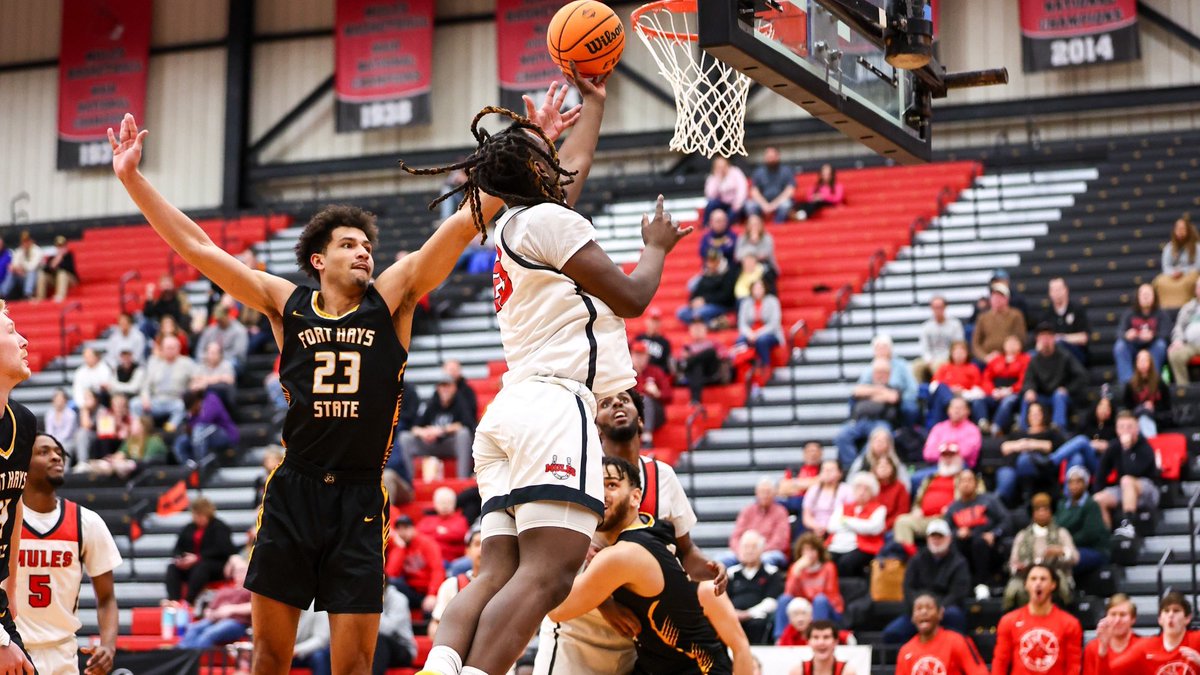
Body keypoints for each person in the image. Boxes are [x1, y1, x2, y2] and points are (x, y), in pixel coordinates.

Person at [113, 84, 588, 675]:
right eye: (348, 245)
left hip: (362, 494)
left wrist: (532, 141)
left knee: (356, 663)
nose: (364, 253)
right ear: (319, 259)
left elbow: (465, 222)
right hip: (294, 489)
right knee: (268, 656)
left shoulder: (392, 297)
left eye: (367, 244)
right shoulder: (284, 302)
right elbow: (198, 247)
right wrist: (133, 180)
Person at [532, 388, 724, 675]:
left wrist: (710, 569)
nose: (617, 404)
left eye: (624, 399)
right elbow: (545, 556)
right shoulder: (576, 478)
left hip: (633, 639)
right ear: (595, 429)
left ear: (642, 420)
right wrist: (605, 603)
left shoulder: (663, 476)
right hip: (576, 631)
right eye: (606, 403)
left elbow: (685, 553)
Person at [546, 457, 750, 674]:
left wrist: (563, 543)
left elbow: (556, 610)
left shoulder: (623, 555)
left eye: (611, 485)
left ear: (636, 497)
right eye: (596, 487)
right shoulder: (654, 529)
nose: (601, 493)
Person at [16, 433, 121, 675]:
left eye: (59, 453)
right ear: (22, 462)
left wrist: (108, 646)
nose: (56, 457)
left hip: (63, 655)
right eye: (44, 452)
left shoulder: (87, 522)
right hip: (11, 649)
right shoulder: (6, 518)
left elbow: (106, 598)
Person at [0, 301, 37, 673]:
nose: (24, 340)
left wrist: (10, 587)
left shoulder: (23, 423)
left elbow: (14, 504)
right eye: (11, 332)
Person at [882, 519, 971, 645]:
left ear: (949, 538)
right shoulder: (916, 560)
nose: (936, 540)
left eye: (940, 536)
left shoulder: (959, 562)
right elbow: (908, 587)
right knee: (892, 633)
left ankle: (954, 656)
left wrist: (935, 610)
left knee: (954, 616)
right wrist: (919, 609)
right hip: (918, 608)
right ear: (927, 538)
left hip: (945, 610)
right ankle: (910, 659)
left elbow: (958, 593)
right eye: (932, 536)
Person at [992, 563, 1083, 675]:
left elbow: (1073, 666)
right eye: (1033, 579)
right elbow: (1000, 662)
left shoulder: (1070, 623)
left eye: (1043, 579)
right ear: (1026, 584)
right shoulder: (1008, 621)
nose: (1038, 583)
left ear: (1053, 585)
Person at [1092, 591, 1200, 674]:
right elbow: (1109, 673)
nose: (1171, 615)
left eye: (1176, 611)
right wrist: (1103, 650)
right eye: (1166, 611)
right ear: (1160, 619)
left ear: (1187, 618)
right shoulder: (1146, 647)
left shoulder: (1197, 639)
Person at [1003, 493, 1077, 609]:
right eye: (1038, 510)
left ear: (1051, 512)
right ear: (1033, 513)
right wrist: (1017, 567)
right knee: (1014, 589)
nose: (1042, 513)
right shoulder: (1022, 535)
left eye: (1045, 509)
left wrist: (1061, 551)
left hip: (1055, 574)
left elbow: (1075, 558)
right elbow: (1013, 562)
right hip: (1027, 577)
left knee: (1059, 586)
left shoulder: (1061, 533)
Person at [944, 470, 1009, 601]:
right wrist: (957, 532)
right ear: (958, 484)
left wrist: (994, 534)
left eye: (970, 480)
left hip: (988, 545)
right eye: (963, 480)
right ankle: (962, 585)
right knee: (955, 544)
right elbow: (946, 531)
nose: (966, 484)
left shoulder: (990, 500)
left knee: (979, 542)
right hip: (964, 547)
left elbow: (1006, 520)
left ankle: (982, 584)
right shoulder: (952, 508)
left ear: (976, 483)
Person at [1093, 411, 1160, 535]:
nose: (1125, 431)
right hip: (1124, 489)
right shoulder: (1114, 446)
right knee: (1097, 499)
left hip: (1147, 490)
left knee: (1126, 480)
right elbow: (1101, 472)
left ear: (1137, 428)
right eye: (1121, 427)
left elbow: (1133, 471)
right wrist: (1098, 490)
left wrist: (1126, 449)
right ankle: (1106, 536)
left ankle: (1128, 524)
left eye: (1129, 427)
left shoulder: (1145, 447)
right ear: (1117, 430)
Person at [165, 497, 237, 604]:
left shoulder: (219, 527)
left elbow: (224, 549)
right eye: (195, 515)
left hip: (214, 565)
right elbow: (178, 547)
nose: (198, 518)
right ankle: (174, 600)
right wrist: (181, 559)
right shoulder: (189, 528)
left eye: (200, 515)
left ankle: (188, 601)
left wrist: (198, 557)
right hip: (192, 566)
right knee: (172, 568)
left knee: (202, 567)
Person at [402, 376, 476, 479]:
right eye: (442, 386)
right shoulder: (432, 403)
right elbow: (414, 427)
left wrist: (442, 430)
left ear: (454, 388)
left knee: (464, 434)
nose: (445, 389)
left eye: (448, 386)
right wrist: (424, 433)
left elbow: (467, 424)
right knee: (405, 437)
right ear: (438, 388)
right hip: (431, 443)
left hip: (450, 444)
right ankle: (409, 481)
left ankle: (462, 479)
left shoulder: (460, 402)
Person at [895, 593, 988, 675]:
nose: (924, 612)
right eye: (918, 609)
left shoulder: (957, 641)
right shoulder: (905, 651)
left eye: (929, 607)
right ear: (912, 617)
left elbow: (979, 672)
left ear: (940, 613)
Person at [1020, 322, 1088, 432]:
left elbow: (1081, 376)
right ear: (1038, 339)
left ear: (1053, 338)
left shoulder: (1065, 356)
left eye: (1048, 336)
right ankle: (1024, 430)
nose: (1045, 340)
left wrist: (1067, 389)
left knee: (1059, 395)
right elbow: (1028, 379)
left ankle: (1058, 428)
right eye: (1042, 337)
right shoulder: (1034, 360)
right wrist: (1030, 390)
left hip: (1062, 395)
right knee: (1027, 397)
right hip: (1043, 396)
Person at [893, 451, 962, 556]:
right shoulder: (931, 478)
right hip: (924, 518)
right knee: (902, 521)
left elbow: (973, 500)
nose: (947, 460)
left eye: (951, 456)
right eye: (945, 456)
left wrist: (953, 508)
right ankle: (912, 559)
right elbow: (918, 499)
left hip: (946, 518)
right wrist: (916, 509)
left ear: (959, 459)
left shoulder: (964, 477)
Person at [835, 358, 900, 468]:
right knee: (841, 436)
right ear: (873, 373)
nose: (880, 375)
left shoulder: (894, 388)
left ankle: (864, 465)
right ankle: (852, 466)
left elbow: (893, 397)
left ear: (889, 374)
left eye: (884, 372)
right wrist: (880, 392)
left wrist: (869, 394)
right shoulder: (864, 385)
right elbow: (856, 391)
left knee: (878, 440)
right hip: (860, 421)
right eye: (878, 372)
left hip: (880, 422)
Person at [177, 556, 252, 649]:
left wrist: (232, 609)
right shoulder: (225, 589)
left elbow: (254, 607)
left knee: (209, 633)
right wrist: (211, 613)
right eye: (238, 572)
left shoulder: (251, 591)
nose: (240, 575)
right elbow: (209, 610)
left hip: (238, 622)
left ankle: (195, 659)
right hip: (215, 619)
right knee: (193, 628)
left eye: (243, 571)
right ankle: (180, 655)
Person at [726, 530, 785, 645]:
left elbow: (771, 602)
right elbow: (723, 598)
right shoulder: (731, 573)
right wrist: (732, 613)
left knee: (758, 624)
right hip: (732, 616)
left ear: (761, 550)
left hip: (757, 617)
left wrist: (747, 614)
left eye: (753, 547)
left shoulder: (771, 573)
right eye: (746, 547)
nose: (749, 551)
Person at [779, 533, 844, 635]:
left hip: (826, 609)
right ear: (800, 552)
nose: (809, 554)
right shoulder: (796, 568)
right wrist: (796, 573)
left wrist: (807, 606)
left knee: (820, 600)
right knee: (784, 600)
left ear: (819, 552)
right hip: (802, 610)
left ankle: (817, 636)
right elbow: (789, 593)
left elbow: (830, 596)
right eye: (805, 550)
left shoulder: (829, 567)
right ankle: (780, 639)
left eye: (812, 550)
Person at [825, 472, 887, 578]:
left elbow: (873, 528)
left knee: (846, 563)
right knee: (826, 561)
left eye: (866, 489)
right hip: (836, 545)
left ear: (872, 492)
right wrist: (858, 525)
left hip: (863, 547)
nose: (862, 492)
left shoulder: (879, 509)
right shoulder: (843, 507)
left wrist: (846, 521)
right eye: (858, 488)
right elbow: (831, 526)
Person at [1055, 466, 1110, 578]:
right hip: (1068, 547)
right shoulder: (1062, 505)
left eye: (1078, 481)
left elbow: (1089, 534)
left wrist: (1065, 544)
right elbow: (1056, 527)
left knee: (1065, 560)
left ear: (1086, 484)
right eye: (1070, 482)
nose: (1074, 486)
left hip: (1093, 549)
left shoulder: (1091, 505)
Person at [385, 515, 445, 615]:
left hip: (427, 589)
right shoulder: (399, 548)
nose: (403, 532)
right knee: (392, 582)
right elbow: (391, 574)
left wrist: (432, 594)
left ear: (413, 528)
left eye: (406, 528)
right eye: (399, 529)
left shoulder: (427, 543)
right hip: (412, 590)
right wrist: (400, 548)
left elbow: (437, 570)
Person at [917, 397, 982, 489]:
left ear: (968, 411)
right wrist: (952, 449)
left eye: (960, 408)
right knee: (915, 479)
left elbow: (966, 452)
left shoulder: (972, 430)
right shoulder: (938, 428)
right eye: (954, 407)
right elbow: (928, 454)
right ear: (948, 410)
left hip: (962, 469)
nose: (956, 411)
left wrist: (943, 449)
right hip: (938, 467)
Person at [134, 335, 195, 431]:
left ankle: (169, 429)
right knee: (134, 404)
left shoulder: (187, 363)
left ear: (178, 349)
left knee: (181, 406)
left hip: (175, 400)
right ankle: (139, 430)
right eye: (167, 348)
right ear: (162, 349)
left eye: (173, 348)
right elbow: (145, 384)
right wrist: (145, 397)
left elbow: (196, 380)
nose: (170, 350)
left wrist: (191, 389)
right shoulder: (154, 362)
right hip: (156, 400)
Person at [1115, 282, 1172, 384]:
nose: (1145, 297)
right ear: (1138, 297)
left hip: (1152, 346)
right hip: (1134, 346)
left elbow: (1166, 334)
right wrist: (1127, 335)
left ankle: (1153, 382)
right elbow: (1119, 332)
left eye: (1148, 294)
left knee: (1160, 345)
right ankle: (1128, 384)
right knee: (1120, 346)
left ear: (1154, 297)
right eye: (1143, 295)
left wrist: (1152, 335)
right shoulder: (1129, 313)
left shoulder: (1161, 313)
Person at [728, 478, 791, 569]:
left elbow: (780, 542)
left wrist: (756, 553)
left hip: (769, 552)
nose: (764, 495)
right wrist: (742, 552)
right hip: (744, 552)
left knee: (767, 560)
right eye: (762, 492)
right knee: (722, 560)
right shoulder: (747, 511)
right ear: (756, 493)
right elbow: (735, 537)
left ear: (774, 494)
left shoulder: (781, 512)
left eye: (768, 492)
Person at [431, 528, 482, 639]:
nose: (483, 549)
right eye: (477, 544)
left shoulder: (509, 585)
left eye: (488, 544)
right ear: (467, 551)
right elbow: (435, 626)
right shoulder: (451, 585)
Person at [980, 334, 1030, 435]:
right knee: (979, 401)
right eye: (1009, 343)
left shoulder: (1025, 359)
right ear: (1004, 345)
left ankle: (996, 427)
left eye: (1014, 343)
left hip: (1014, 393)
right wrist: (992, 391)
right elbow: (986, 378)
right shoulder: (996, 360)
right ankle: (983, 424)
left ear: (1020, 346)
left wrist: (1010, 390)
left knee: (1008, 401)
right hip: (996, 392)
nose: (1011, 346)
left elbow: (1024, 380)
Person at [173, 389, 239, 465]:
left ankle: (201, 465)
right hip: (205, 436)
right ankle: (189, 468)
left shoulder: (211, 398)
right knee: (181, 442)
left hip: (226, 435)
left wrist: (194, 418)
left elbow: (207, 419)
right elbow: (191, 428)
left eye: (192, 408)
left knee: (199, 430)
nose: (192, 411)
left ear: (197, 401)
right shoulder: (193, 414)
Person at [928, 343, 986, 427]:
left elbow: (979, 392)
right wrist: (949, 390)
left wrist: (962, 393)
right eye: (956, 352)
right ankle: (951, 403)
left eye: (961, 352)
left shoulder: (972, 368)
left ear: (967, 354)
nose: (959, 355)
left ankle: (951, 407)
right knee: (941, 388)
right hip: (945, 398)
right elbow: (933, 386)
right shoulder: (944, 367)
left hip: (964, 398)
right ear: (951, 354)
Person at [1082, 594, 1141, 674]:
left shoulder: (1142, 646)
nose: (1117, 620)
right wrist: (1103, 649)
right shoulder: (1092, 647)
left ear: (1133, 619)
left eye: (1122, 615)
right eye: (1113, 614)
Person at [677, 249, 737, 326]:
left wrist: (705, 300)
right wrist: (692, 302)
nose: (710, 264)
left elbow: (725, 295)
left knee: (699, 313)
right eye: (709, 261)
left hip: (719, 305)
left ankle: (703, 323)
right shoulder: (705, 274)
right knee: (681, 313)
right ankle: (711, 323)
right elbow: (697, 290)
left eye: (713, 261)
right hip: (702, 305)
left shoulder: (728, 274)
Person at [846, 428, 912, 498]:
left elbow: (906, 486)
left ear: (889, 444)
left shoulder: (895, 462)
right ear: (871, 443)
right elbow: (850, 482)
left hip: (890, 498)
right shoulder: (862, 461)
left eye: (883, 441)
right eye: (877, 440)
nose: (879, 443)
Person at [971, 282, 1027, 363]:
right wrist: (985, 357)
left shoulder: (1015, 315)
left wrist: (1008, 354)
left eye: (1000, 296)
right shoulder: (982, 317)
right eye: (994, 296)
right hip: (986, 358)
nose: (997, 299)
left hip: (1009, 356)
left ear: (1007, 298)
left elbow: (1020, 339)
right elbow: (975, 344)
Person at [914, 296, 965, 382]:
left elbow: (958, 345)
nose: (937, 310)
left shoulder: (955, 324)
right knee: (916, 366)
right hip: (931, 358)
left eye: (940, 307)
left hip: (949, 357)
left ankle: (938, 389)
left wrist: (949, 357)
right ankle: (920, 391)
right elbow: (924, 347)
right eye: (935, 307)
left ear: (945, 307)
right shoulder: (926, 326)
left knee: (938, 365)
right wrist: (929, 359)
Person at [1153, 215, 1200, 308]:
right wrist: (1173, 273)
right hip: (1172, 275)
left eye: (1183, 229)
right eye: (1178, 229)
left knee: (1189, 281)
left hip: (1189, 274)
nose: (1180, 232)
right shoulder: (1168, 248)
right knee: (1159, 281)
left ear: (1188, 230)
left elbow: (1197, 266)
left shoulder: (1197, 247)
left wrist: (1183, 272)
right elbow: (1165, 266)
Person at [737, 280, 783, 376]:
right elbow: (742, 324)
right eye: (755, 288)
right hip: (751, 333)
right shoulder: (746, 303)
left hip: (770, 333)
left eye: (760, 288)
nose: (757, 291)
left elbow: (774, 324)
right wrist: (750, 333)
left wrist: (757, 334)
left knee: (762, 340)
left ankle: (766, 368)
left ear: (765, 289)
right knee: (740, 340)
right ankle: (746, 370)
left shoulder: (772, 301)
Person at [630, 342, 671, 445]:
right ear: (631, 355)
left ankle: (647, 436)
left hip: (655, 412)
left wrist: (658, 393)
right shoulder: (627, 374)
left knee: (645, 399)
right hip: (633, 412)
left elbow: (669, 395)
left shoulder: (655, 372)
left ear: (647, 357)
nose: (639, 358)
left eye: (642, 355)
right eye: (636, 355)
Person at [678, 320, 728, 404]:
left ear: (705, 329)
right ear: (690, 331)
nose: (697, 331)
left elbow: (725, 354)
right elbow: (679, 361)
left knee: (710, 352)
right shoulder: (687, 347)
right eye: (695, 328)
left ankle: (695, 399)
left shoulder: (713, 343)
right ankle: (696, 400)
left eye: (700, 328)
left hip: (711, 371)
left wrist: (691, 358)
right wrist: (685, 357)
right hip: (696, 374)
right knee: (697, 365)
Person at [1123, 348, 1170, 438]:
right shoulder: (1130, 385)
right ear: (1136, 363)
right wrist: (1142, 407)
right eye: (1140, 360)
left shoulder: (1160, 382)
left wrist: (1153, 408)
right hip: (1137, 418)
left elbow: (1167, 406)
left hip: (1157, 418)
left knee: (1146, 418)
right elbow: (1128, 407)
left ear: (1150, 363)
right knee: (1144, 417)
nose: (1143, 363)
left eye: (1145, 360)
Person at [1042, 277, 1090, 365]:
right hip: (1052, 353)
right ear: (1050, 293)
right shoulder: (1047, 314)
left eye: (1059, 289)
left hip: (1076, 352)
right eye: (1054, 290)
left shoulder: (1077, 310)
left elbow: (1084, 338)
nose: (1057, 293)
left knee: (1060, 346)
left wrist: (1062, 338)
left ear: (1066, 290)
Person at [372, 586, 418, 675]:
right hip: (375, 647)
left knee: (380, 639)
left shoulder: (399, 599)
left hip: (402, 649)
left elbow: (387, 629)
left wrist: (372, 607)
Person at [418, 487, 470, 565]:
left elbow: (459, 534)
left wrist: (432, 534)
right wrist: (439, 532)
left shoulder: (460, 520)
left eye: (448, 502)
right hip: (426, 558)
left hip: (450, 560)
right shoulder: (427, 520)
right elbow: (418, 534)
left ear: (454, 503)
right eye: (442, 503)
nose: (445, 506)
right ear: (435, 503)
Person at [800, 460, 850, 539]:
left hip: (838, 531)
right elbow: (807, 515)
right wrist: (816, 527)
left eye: (831, 470)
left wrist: (829, 527)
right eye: (824, 470)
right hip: (815, 530)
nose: (827, 473)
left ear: (840, 473)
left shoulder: (846, 490)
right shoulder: (813, 489)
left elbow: (849, 514)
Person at [788, 620, 857, 675]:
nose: (821, 642)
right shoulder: (797, 672)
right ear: (808, 641)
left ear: (836, 641)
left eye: (826, 637)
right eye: (816, 637)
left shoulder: (847, 672)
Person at [745, 147, 795, 222]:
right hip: (763, 202)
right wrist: (764, 205)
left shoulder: (786, 171)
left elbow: (790, 191)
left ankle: (777, 226)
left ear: (778, 157)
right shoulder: (758, 172)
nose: (771, 159)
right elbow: (754, 191)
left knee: (786, 204)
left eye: (773, 157)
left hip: (780, 202)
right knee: (749, 205)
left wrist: (773, 205)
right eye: (769, 157)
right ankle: (758, 226)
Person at [1168, 276, 1200, 384]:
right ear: (1196, 290)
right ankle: (1184, 391)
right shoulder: (1188, 307)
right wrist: (1178, 340)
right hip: (1190, 345)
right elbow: (1178, 327)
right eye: (1199, 287)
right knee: (1175, 354)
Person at [703, 156, 749, 225]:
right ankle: (706, 226)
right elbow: (710, 196)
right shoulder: (713, 178)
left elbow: (742, 189)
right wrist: (718, 179)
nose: (722, 169)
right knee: (711, 204)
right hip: (721, 204)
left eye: (723, 166)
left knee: (734, 211)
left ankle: (724, 227)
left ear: (728, 165)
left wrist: (737, 204)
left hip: (735, 204)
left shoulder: (735, 172)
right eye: (719, 167)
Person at [292, 604, 332, 675]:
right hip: (290, 653)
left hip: (309, 654)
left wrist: (296, 650)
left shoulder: (317, 606)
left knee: (319, 657)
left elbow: (321, 639)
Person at [35, 235, 77, 302]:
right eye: (58, 246)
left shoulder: (69, 255)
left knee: (62, 273)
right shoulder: (52, 257)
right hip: (55, 279)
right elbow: (47, 269)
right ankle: (40, 297)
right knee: (42, 275)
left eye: (62, 245)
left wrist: (60, 258)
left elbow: (68, 269)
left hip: (69, 279)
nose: (60, 247)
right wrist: (55, 260)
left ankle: (60, 296)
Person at [1, 231, 42, 300]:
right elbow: (14, 265)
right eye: (23, 241)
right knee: (11, 272)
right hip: (21, 277)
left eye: (27, 240)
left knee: (31, 273)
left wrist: (21, 267)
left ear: (31, 241)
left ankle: (28, 294)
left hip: (36, 279)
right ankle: (2, 294)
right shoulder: (19, 250)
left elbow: (32, 267)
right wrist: (17, 270)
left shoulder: (37, 250)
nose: (25, 243)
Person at [633, 307, 673, 374]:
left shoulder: (665, 343)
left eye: (656, 321)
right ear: (646, 321)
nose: (654, 324)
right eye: (652, 321)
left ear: (660, 323)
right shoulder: (639, 338)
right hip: (639, 373)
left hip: (656, 375)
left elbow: (666, 364)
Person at [43, 389, 79, 462]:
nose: (59, 402)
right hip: (53, 441)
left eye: (61, 399)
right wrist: (52, 442)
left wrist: (57, 443)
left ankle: (64, 470)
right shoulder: (49, 414)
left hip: (70, 441)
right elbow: (49, 431)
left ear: (65, 401)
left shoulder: (71, 414)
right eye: (57, 399)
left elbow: (67, 434)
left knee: (64, 447)